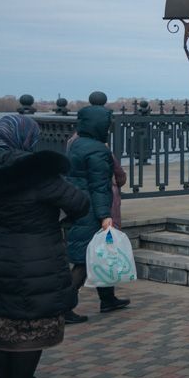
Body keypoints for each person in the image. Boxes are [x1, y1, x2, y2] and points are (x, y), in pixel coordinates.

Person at [0, 116, 89, 378]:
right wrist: (55, 219)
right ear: (28, 139)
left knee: (1, 326)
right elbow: (79, 203)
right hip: (34, 261)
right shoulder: (37, 173)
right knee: (30, 329)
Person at [65, 104, 129, 322]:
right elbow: (100, 187)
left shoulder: (76, 144)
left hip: (77, 205)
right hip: (92, 211)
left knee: (102, 253)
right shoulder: (98, 150)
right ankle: (63, 307)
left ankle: (108, 299)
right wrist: (104, 216)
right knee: (85, 260)